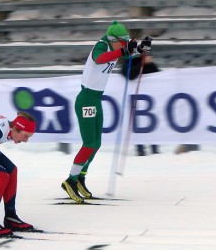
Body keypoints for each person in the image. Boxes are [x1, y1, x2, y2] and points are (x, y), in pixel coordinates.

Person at [61, 21, 151, 203]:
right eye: (122, 42)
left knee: (96, 143)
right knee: (88, 144)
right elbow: (99, 59)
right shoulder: (102, 45)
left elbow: (128, 53)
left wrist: (141, 48)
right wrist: (123, 51)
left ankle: (80, 178)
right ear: (113, 39)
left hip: (95, 99)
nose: (124, 45)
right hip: (86, 99)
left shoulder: (115, 47)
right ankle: (70, 180)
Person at [119, 40, 160, 156]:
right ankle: (140, 149)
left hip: (149, 103)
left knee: (152, 125)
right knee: (136, 126)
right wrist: (142, 63)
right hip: (133, 102)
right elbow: (129, 75)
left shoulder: (150, 64)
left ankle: (155, 148)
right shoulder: (129, 62)